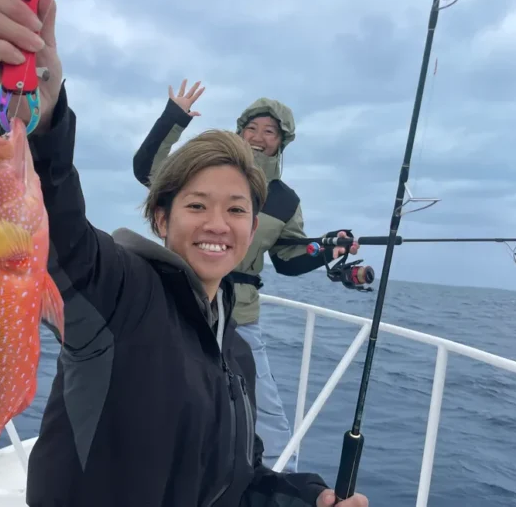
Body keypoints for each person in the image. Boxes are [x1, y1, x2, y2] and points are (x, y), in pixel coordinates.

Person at [0, 0, 369, 505]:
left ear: (251, 228)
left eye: (236, 210)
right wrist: (34, 114)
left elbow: (235, 484)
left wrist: (308, 499)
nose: (217, 224)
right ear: (161, 218)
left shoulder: (236, 356)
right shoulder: (117, 295)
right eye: (197, 205)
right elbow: (56, 236)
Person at [133, 80, 361, 472]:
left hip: (241, 319)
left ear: (282, 141)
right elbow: (148, 169)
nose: (258, 137)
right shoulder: (206, 172)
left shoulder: (286, 200)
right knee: (157, 397)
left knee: (264, 415)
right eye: (251, 128)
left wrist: (327, 249)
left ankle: (274, 484)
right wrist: (175, 117)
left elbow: (287, 258)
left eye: (269, 131)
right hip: (176, 303)